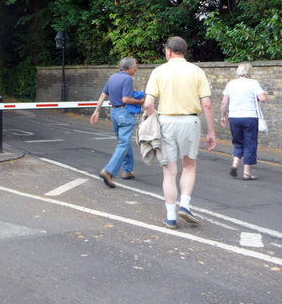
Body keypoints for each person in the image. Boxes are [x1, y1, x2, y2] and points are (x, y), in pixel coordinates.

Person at [143, 36, 216, 230]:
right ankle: (185, 204)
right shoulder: (197, 71)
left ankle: (171, 217)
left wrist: (153, 120)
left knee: (169, 171)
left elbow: (149, 104)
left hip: (166, 122)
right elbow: (207, 104)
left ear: (168, 51)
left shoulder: (159, 72)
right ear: (184, 51)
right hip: (190, 121)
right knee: (189, 166)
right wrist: (211, 131)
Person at [90, 57, 145, 188]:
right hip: (125, 113)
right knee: (123, 143)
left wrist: (96, 111)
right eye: (135, 66)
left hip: (114, 113)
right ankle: (108, 171)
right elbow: (126, 99)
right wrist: (140, 102)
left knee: (123, 142)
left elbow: (103, 95)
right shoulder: (127, 79)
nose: (136, 68)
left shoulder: (112, 78)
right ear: (129, 67)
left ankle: (127, 171)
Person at [220, 63, 267, 180]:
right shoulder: (253, 83)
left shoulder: (231, 84)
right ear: (249, 72)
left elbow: (224, 103)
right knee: (249, 143)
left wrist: (223, 116)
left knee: (238, 142)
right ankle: (246, 173)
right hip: (249, 117)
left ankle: (235, 163)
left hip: (234, 117)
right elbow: (263, 98)